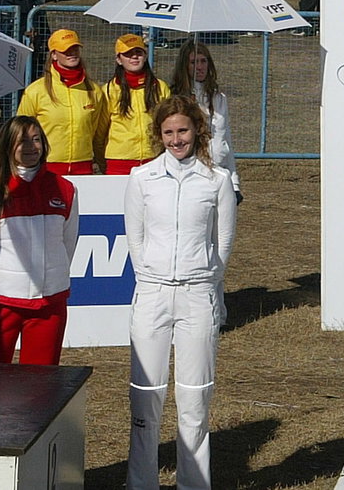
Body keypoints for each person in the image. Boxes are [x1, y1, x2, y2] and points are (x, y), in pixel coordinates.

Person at [125, 95, 237, 490]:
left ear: (197, 131)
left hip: (198, 298)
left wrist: (202, 278)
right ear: (159, 135)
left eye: (183, 130)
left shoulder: (217, 181)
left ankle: (194, 483)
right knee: (145, 398)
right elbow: (135, 239)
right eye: (169, 132)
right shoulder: (142, 179)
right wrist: (154, 277)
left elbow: (222, 242)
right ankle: (141, 483)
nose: (176, 139)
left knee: (194, 400)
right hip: (153, 295)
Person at [0, 115, 80, 365]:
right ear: (8, 146)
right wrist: (4, 286)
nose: (31, 147)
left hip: (49, 303)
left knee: (40, 388)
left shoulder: (65, 189)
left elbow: (67, 243)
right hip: (1, 302)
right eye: (22, 141)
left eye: (36, 139)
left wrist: (50, 277)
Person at [17, 29, 107, 175]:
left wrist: (101, 163)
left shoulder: (94, 91)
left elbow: (96, 133)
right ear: (54, 54)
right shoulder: (35, 91)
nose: (72, 53)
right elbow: (20, 132)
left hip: (82, 167)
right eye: (66, 50)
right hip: (46, 167)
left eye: (75, 49)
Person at [171, 41, 241, 202]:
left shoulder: (219, 98)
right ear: (184, 65)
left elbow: (226, 139)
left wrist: (234, 182)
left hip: (219, 173)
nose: (200, 67)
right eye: (194, 62)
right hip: (190, 175)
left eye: (203, 61)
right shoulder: (176, 98)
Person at [102, 34, 171, 175]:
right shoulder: (109, 90)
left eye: (138, 52)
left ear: (145, 56)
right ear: (118, 60)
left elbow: (167, 124)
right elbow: (100, 132)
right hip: (119, 162)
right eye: (128, 54)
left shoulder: (160, 87)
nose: (134, 57)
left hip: (153, 159)